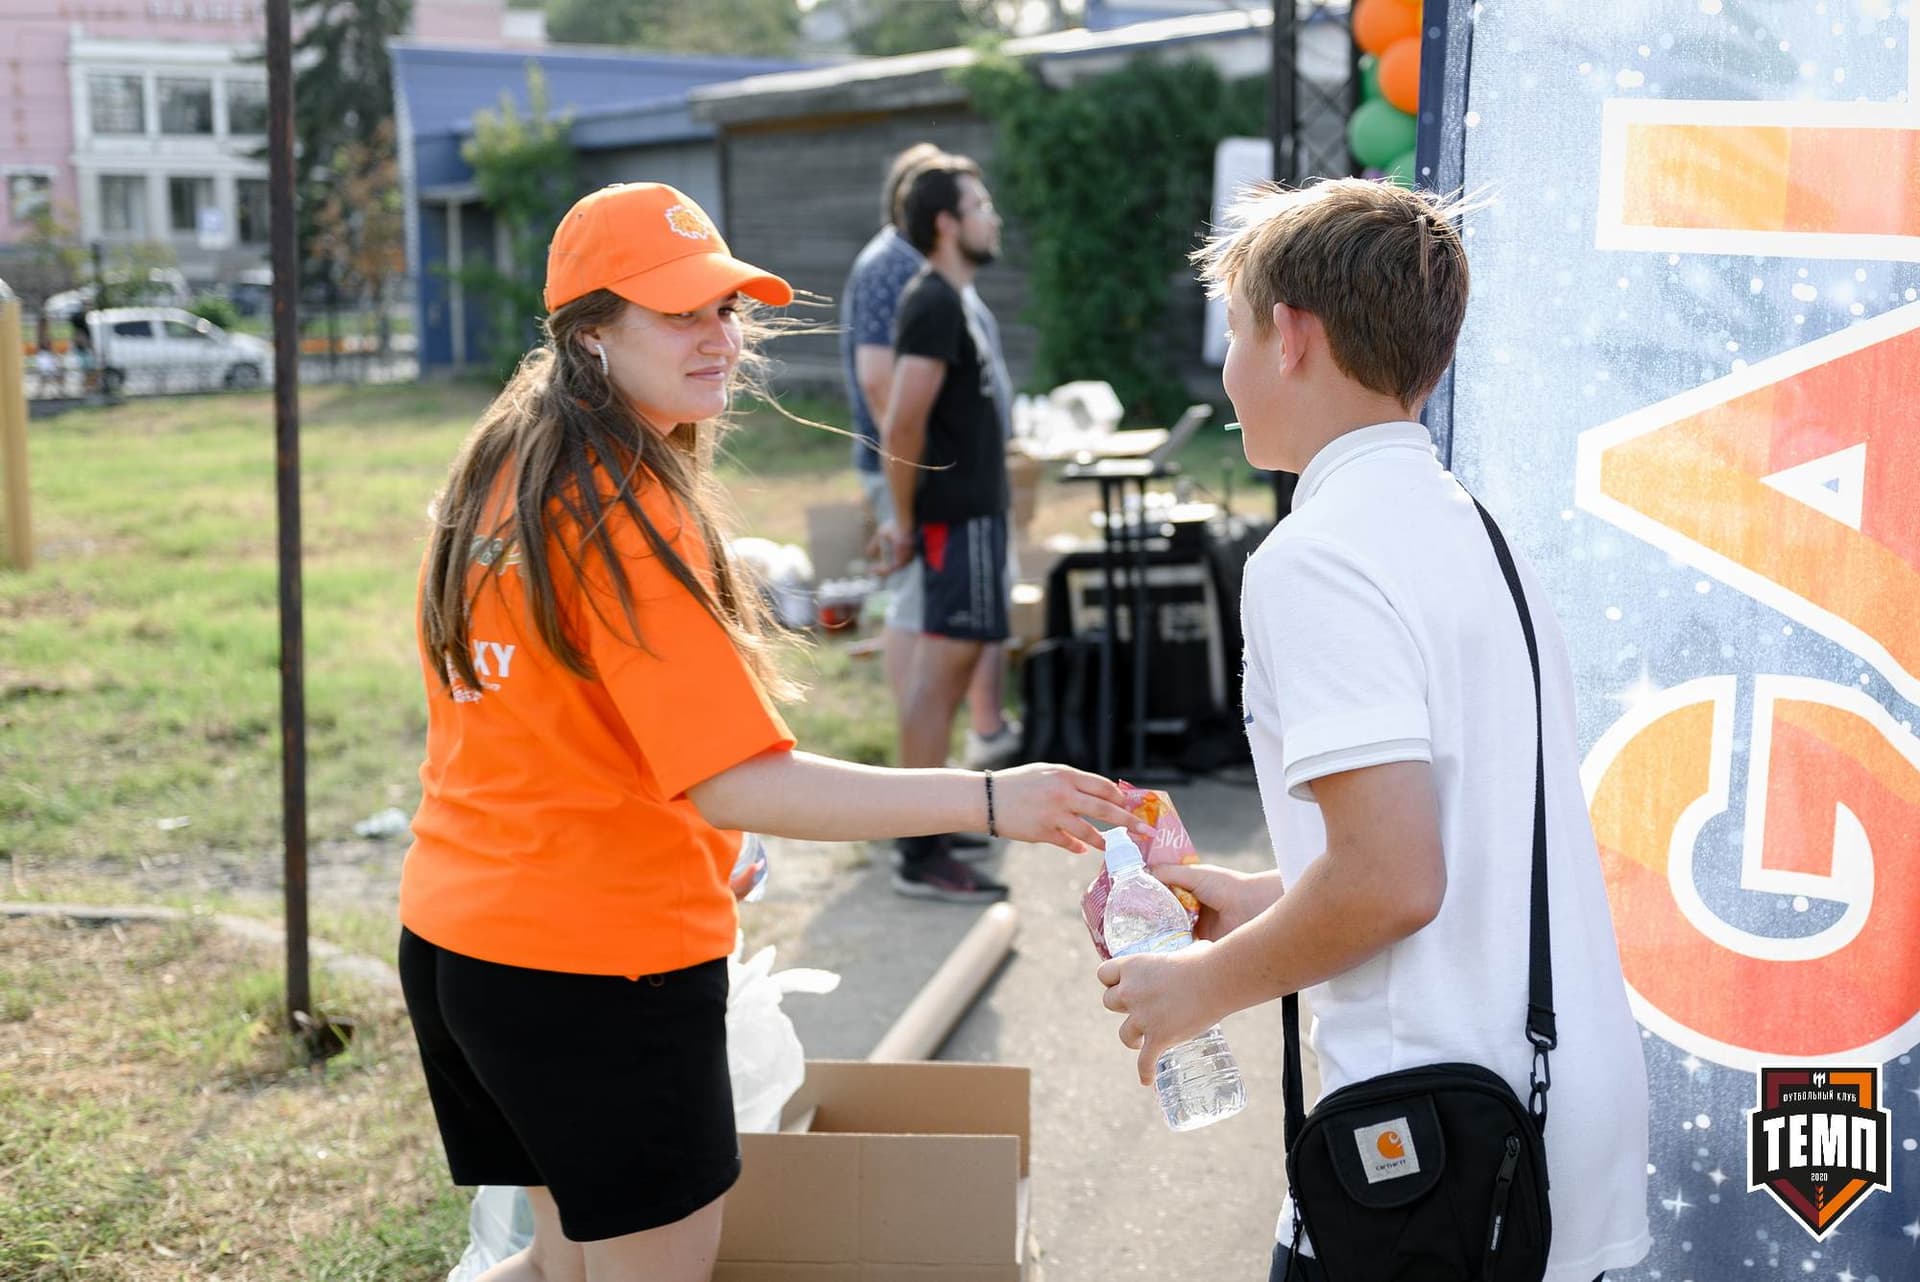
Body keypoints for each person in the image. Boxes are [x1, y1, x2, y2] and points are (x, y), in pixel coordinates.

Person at [397, 182, 1149, 1282]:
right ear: (590, 332)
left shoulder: (505, 462)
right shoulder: (623, 508)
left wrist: (703, 834)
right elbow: (739, 777)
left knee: (567, 1259)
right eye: (679, 313)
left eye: (726, 308)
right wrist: (991, 798)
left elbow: (546, 730)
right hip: (597, 971)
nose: (719, 338)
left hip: (467, 948)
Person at [1095, 178, 1652, 1282]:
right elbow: (1462, 828)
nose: (1229, 371)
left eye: (1235, 334)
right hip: (1548, 1113)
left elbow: (1393, 880)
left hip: (1436, 1134)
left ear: (1291, 336)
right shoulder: (1477, 530)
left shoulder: (1317, 556)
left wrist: (1206, 986)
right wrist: (1264, 901)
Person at [841, 145, 1021, 778]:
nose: (992, 217)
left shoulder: (951, 298)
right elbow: (902, 420)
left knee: (949, 673)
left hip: (973, 518)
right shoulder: (933, 302)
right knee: (937, 683)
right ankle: (922, 843)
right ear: (946, 223)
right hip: (955, 521)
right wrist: (904, 521)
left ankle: (932, 826)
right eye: (980, 206)